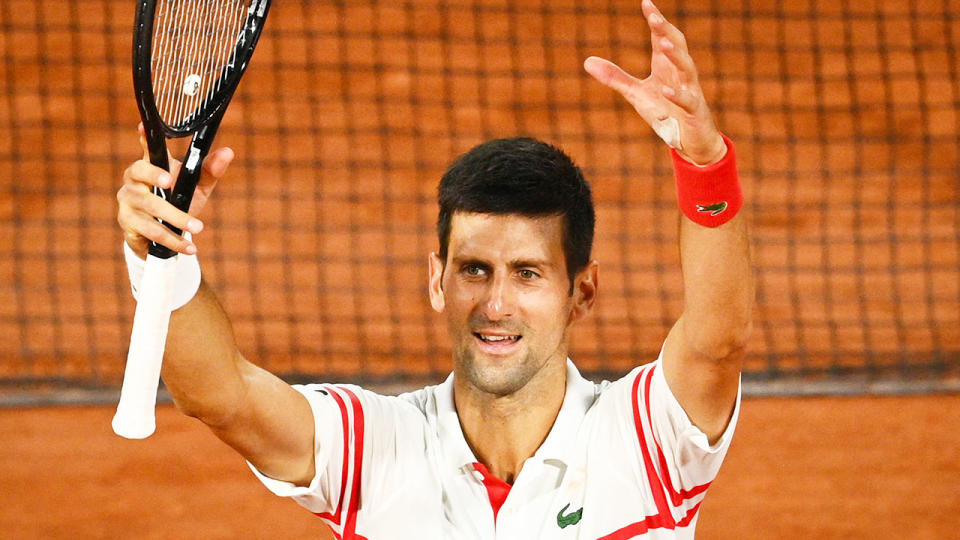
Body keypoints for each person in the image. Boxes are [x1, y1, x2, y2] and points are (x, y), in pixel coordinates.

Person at [116, 1, 753, 538]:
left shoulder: (643, 441)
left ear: (581, 293)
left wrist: (703, 163)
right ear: (436, 279)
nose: (495, 304)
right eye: (474, 269)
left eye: (528, 273)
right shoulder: (375, 450)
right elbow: (218, 396)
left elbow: (717, 341)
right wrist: (159, 255)